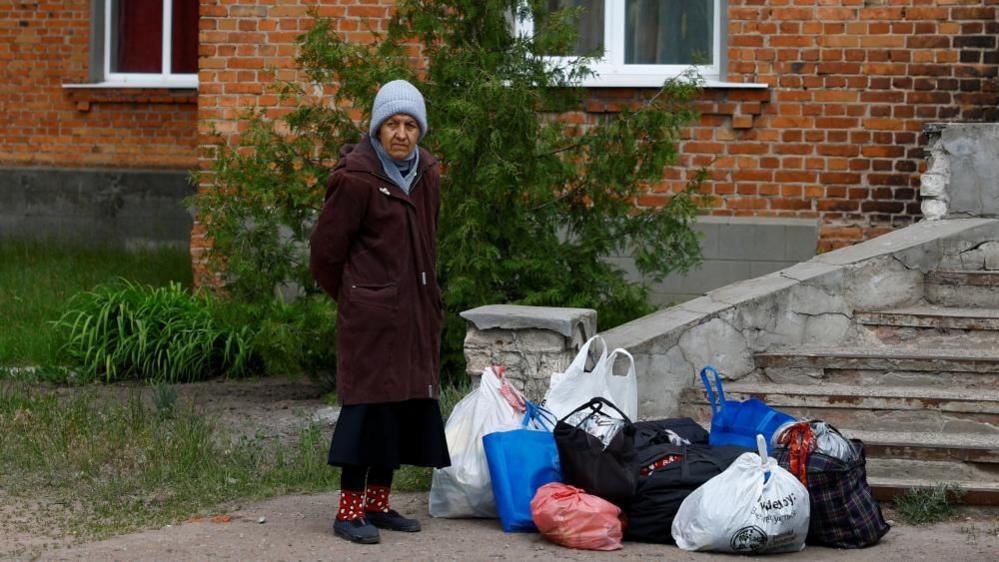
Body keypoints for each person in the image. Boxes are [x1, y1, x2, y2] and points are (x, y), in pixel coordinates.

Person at [309, 79, 450, 544]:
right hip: (370, 317)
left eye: (411, 125)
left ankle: (379, 503)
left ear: (420, 131)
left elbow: (427, 241)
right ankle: (349, 509)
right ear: (377, 128)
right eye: (393, 124)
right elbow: (326, 254)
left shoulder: (427, 172)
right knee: (367, 411)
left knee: (402, 407)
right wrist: (357, 296)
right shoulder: (356, 179)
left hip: (414, 312)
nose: (402, 134)